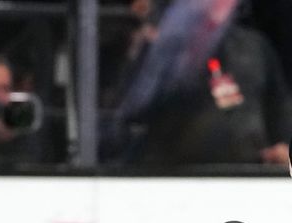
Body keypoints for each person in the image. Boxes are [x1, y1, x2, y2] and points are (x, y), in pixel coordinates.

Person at [113, 0, 292, 166]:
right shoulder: (163, 44)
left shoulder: (253, 47)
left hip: (245, 178)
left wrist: (282, 147)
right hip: (173, 177)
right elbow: (135, 109)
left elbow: (278, 109)